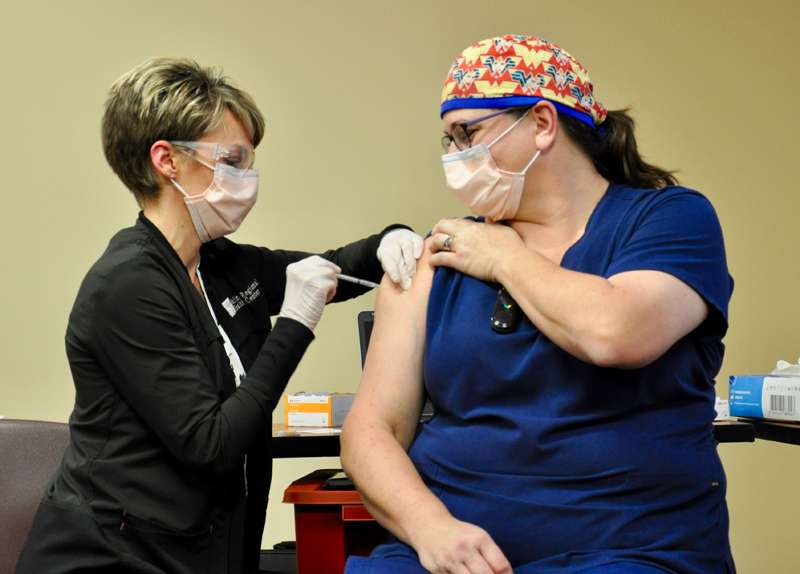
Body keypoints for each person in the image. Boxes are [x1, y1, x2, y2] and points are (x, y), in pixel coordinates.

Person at [341, 35, 735, 574]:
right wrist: (430, 528)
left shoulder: (668, 220)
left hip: (630, 550)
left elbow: (616, 333)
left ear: (543, 124)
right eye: (449, 140)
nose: (455, 158)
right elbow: (370, 430)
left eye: (469, 135)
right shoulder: (440, 256)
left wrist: (506, 259)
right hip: (448, 553)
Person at [16, 57, 423, 574]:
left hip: (202, 550)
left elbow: (332, 268)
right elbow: (213, 445)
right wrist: (295, 325)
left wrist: (392, 239)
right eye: (231, 161)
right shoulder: (127, 286)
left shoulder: (221, 265)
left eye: (249, 162)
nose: (247, 179)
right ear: (166, 160)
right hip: (115, 557)